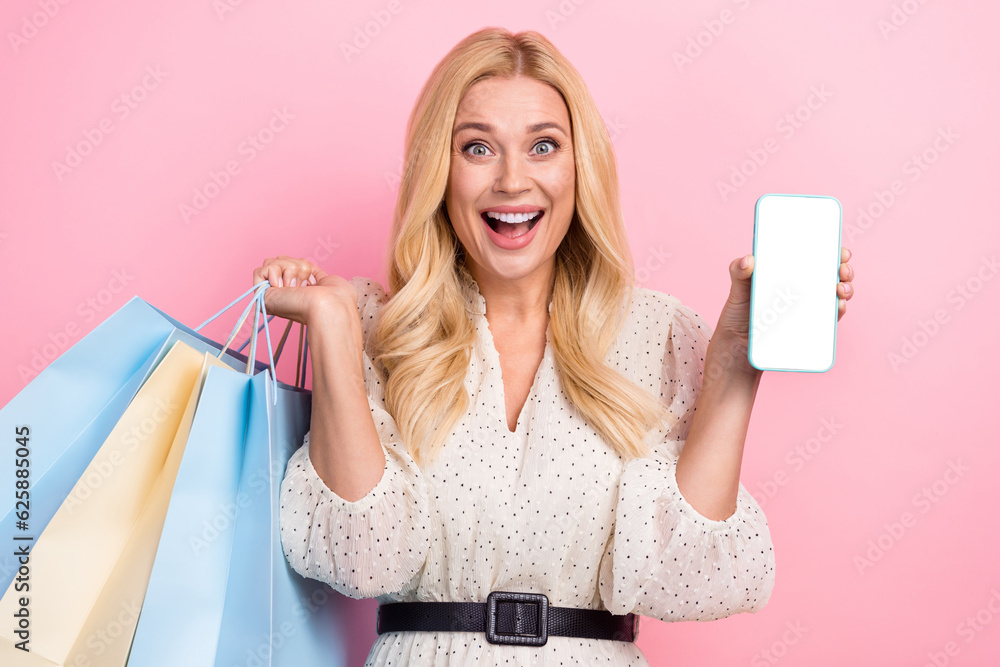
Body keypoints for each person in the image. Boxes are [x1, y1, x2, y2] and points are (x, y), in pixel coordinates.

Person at [253, 27, 855, 666]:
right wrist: (334, 325)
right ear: (440, 169)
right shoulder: (377, 328)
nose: (514, 181)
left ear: (579, 167)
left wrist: (735, 362)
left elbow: (683, 577)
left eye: (543, 146)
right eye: (478, 147)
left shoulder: (659, 335)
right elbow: (362, 560)